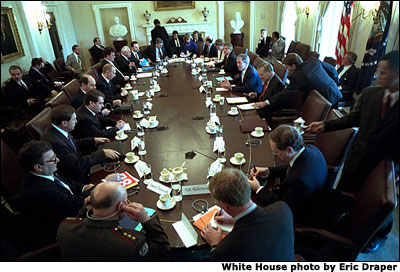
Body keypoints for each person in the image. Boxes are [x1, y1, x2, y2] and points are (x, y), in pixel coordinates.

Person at [307, 50, 399, 253]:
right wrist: (324, 125)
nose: (377, 76)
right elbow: (352, 119)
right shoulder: (370, 94)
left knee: (377, 206)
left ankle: (378, 234)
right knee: (346, 194)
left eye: (383, 73)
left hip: (385, 165)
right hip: (357, 157)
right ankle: (342, 225)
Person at [18, 140, 121, 250]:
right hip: (67, 228)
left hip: (70, 207)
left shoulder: (43, 172)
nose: (57, 160)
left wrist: (84, 187)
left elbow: (66, 182)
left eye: (55, 156)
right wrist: (103, 184)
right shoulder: (41, 190)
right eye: (53, 159)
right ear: (38, 167)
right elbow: (76, 204)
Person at [57, 182, 171, 261]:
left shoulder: (65, 227)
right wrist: (147, 220)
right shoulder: (131, 244)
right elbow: (162, 253)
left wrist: (85, 209)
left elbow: (80, 220)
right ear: (121, 207)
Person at [200, 168, 295, 261]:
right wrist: (233, 220)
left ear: (224, 205)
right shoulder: (283, 209)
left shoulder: (224, 250)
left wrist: (215, 244)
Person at [248, 125, 328, 218]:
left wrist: (258, 188)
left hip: (301, 214)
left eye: (276, 152)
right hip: (310, 197)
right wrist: (268, 170)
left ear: (289, 150)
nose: (275, 155)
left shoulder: (299, 181)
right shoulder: (311, 149)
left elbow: (281, 207)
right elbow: (292, 167)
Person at [42, 105, 121, 184]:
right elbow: (77, 164)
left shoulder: (58, 129)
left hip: (79, 163)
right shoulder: (55, 142)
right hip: (77, 178)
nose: (76, 121)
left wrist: (93, 140)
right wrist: (102, 154)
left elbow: (73, 144)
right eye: (74, 119)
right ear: (64, 123)